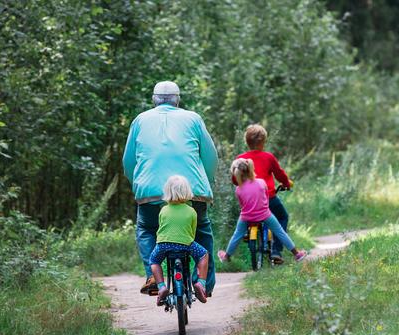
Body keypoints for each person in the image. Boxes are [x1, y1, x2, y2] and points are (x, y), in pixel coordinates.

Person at [123, 81, 218, 296]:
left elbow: (128, 162)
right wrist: (206, 181)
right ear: (178, 100)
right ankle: (204, 283)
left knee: (147, 229)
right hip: (192, 191)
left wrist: (138, 184)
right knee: (202, 230)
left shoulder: (140, 120)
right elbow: (211, 157)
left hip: (150, 193)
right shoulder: (193, 118)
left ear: (153, 99)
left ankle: (152, 276)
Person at [218, 158, 306, 262]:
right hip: (265, 215)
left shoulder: (238, 189)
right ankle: (297, 254)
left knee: (237, 234)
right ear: (250, 168)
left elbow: (242, 205)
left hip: (246, 217)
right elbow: (266, 198)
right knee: (279, 231)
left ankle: (226, 256)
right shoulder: (261, 182)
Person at [233, 124, 293, 264]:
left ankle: (248, 231)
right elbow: (280, 174)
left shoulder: (241, 158)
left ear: (247, 142)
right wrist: (286, 183)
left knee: (246, 211)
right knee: (282, 217)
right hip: (269, 198)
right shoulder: (268, 157)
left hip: (249, 199)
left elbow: (235, 179)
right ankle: (277, 251)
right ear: (263, 142)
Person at [149, 176, 209, 305]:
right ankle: (201, 284)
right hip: (186, 244)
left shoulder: (163, 210)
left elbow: (161, 227)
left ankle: (161, 287)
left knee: (154, 261)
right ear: (187, 191)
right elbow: (192, 233)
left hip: (163, 245)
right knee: (204, 255)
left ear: (167, 192)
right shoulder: (191, 211)